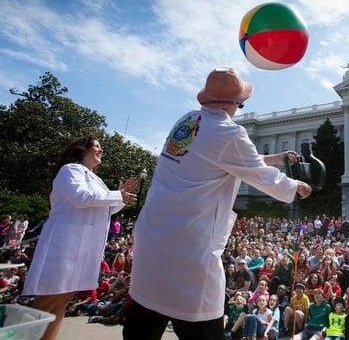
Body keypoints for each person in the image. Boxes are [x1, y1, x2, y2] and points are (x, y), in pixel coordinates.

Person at [124, 68, 312, 340]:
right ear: (235, 103)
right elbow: (257, 173)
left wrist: (277, 158)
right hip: (189, 248)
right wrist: (297, 187)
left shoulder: (187, 121)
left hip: (152, 241)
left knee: (143, 321)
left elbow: (223, 157)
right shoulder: (230, 133)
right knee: (202, 326)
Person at [23, 136, 137, 340]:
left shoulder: (96, 179)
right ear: (82, 150)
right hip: (64, 244)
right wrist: (117, 194)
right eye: (97, 147)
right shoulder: (70, 170)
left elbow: (103, 209)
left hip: (82, 247)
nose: (101, 151)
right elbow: (81, 198)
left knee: (63, 300)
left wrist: (121, 198)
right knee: (48, 299)